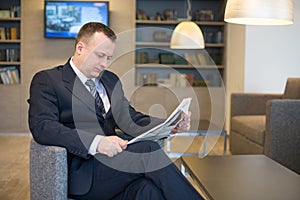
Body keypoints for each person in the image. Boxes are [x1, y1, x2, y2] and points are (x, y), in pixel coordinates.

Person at [28, 22, 203, 200]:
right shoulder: (48, 80)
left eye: (108, 58)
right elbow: (43, 127)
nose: (104, 64)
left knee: (148, 190)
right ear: (80, 48)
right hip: (84, 173)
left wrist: (170, 125)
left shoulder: (110, 80)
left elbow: (130, 118)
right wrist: (97, 143)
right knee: (147, 150)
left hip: (115, 168)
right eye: (100, 56)